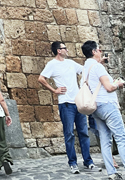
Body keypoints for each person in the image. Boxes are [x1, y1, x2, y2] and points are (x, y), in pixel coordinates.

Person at [38, 41, 98, 173]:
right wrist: (54, 90)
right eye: (65, 48)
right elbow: (41, 78)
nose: (67, 50)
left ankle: (88, 162)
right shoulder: (52, 64)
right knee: (69, 134)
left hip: (78, 103)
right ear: (59, 50)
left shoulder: (71, 63)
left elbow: (84, 71)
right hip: (65, 104)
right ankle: (73, 163)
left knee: (84, 133)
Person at [81, 40, 125, 180]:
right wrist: (119, 84)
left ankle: (112, 173)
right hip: (108, 105)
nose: (101, 52)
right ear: (93, 52)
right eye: (99, 50)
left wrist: (100, 63)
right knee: (121, 138)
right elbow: (109, 87)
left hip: (96, 107)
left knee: (105, 141)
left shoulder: (86, 68)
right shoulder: (98, 68)